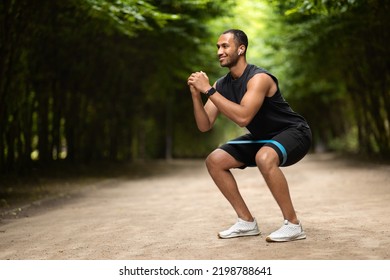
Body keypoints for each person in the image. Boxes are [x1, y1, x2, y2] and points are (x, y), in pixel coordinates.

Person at [187, 29, 312, 242]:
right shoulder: (221, 85)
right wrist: (196, 95)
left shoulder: (259, 78)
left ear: (241, 48)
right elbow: (204, 125)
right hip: (264, 137)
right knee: (215, 160)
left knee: (264, 157)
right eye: (217, 47)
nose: (219, 51)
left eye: (225, 46)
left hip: (294, 132)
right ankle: (246, 222)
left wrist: (208, 90)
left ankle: (293, 225)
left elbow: (244, 118)